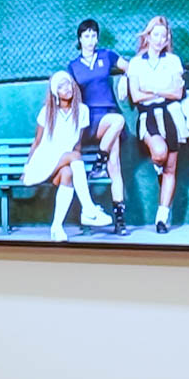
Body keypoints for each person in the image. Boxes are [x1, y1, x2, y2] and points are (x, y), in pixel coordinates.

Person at [67, 19, 129, 234]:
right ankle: (99, 161)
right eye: (86, 36)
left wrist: (124, 79)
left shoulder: (107, 56)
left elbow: (129, 67)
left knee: (116, 168)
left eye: (93, 36)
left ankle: (119, 221)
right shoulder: (73, 67)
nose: (90, 40)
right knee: (119, 121)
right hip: (90, 121)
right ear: (79, 39)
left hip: (109, 116)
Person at [126, 16, 187, 234]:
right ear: (148, 36)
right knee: (160, 154)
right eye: (156, 34)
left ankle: (161, 217)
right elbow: (135, 95)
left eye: (164, 35)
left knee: (171, 168)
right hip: (148, 117)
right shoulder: (135, 63)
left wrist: (152, 91)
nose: (160, 39)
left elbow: (177, 92)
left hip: (172, 115)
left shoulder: (173, 61)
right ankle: (157, 165)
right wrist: (161, 91)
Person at [20, 71, 92, 242]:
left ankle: (57, 227)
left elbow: (78, 144)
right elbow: (37, 142)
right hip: (43, 161)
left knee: (68, 173)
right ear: (55, 92)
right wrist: (26, 167)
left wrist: (76, 162)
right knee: (73, 156)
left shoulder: (82, 111)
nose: (67, 88)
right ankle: (88, 208)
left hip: (63, 163)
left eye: (68, 84)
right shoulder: (47, 112)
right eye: (61, 86)